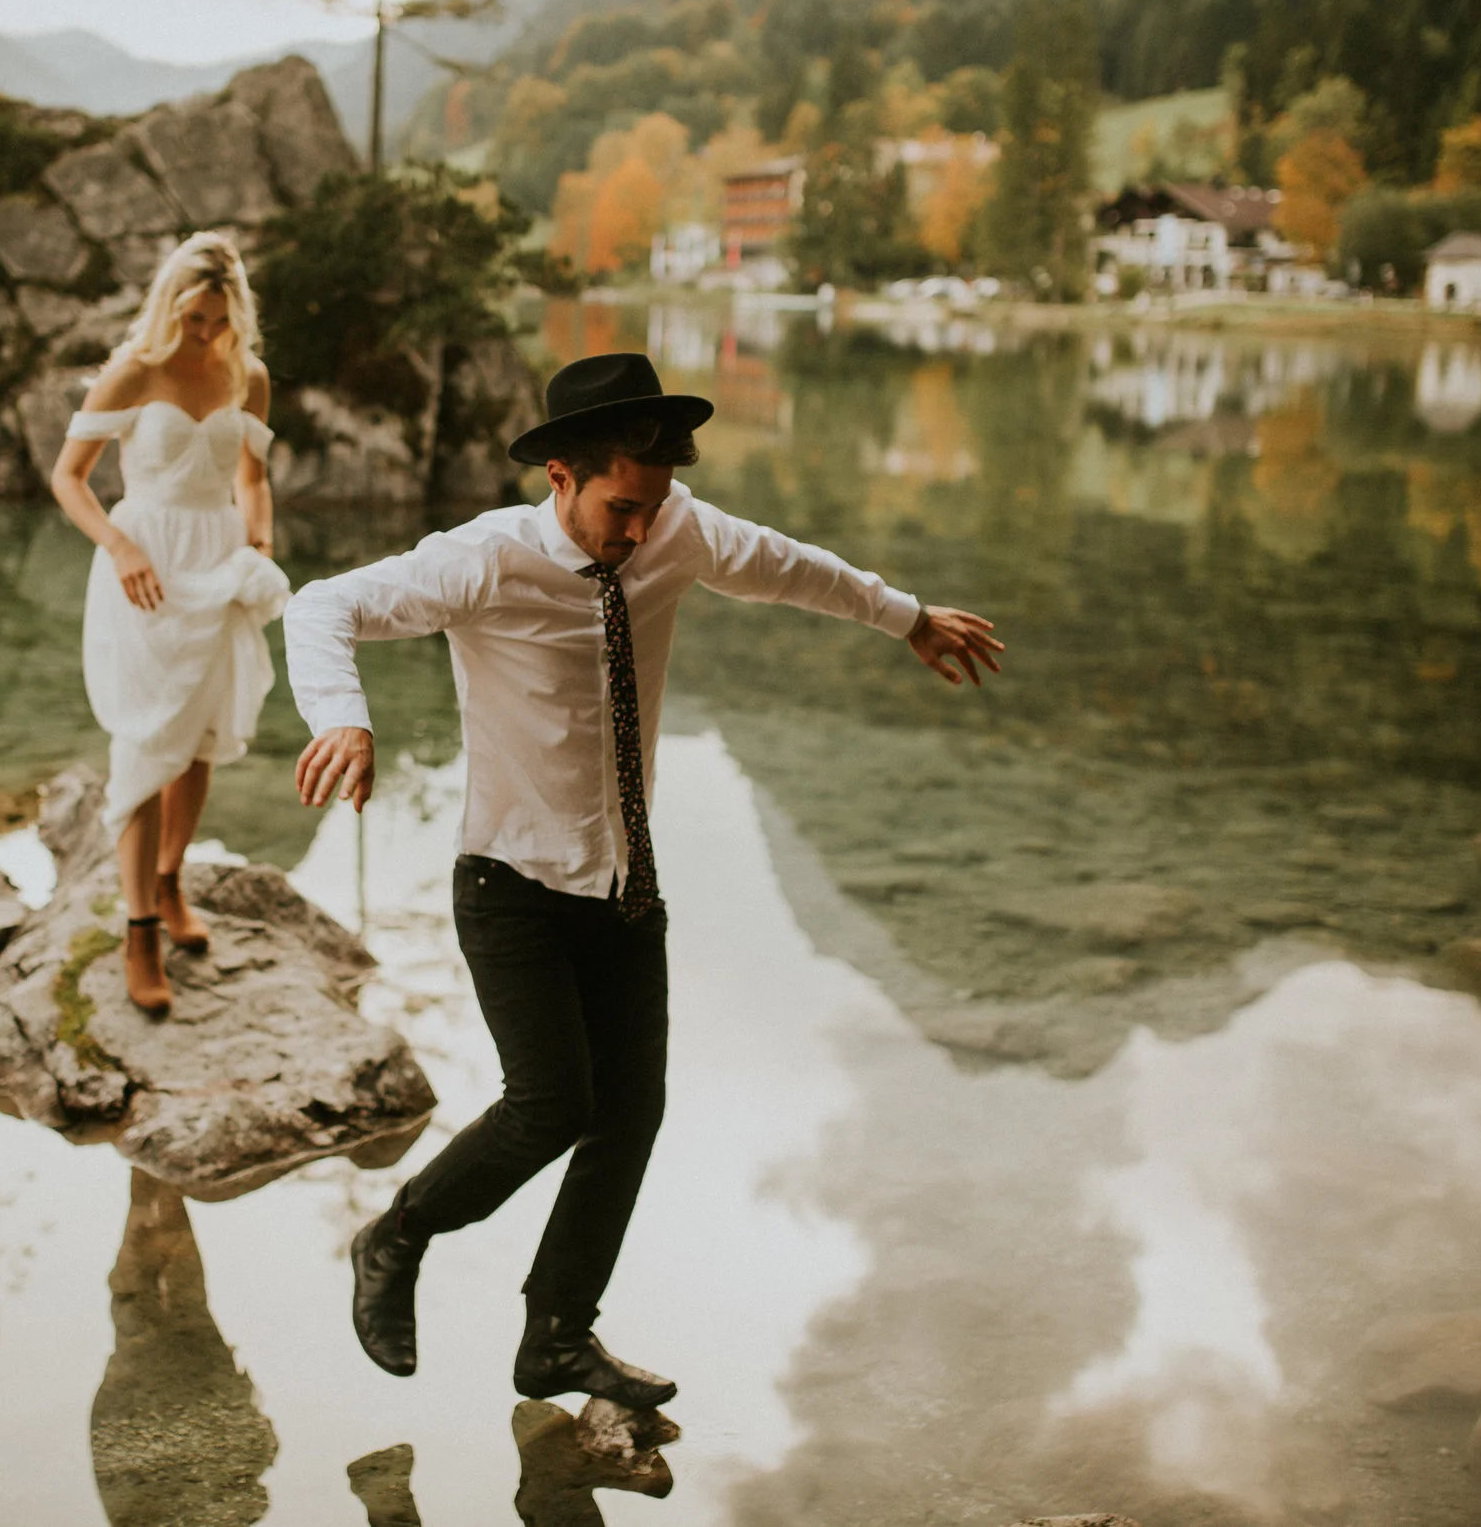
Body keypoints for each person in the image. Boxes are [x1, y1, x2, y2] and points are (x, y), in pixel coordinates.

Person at [286, 352, 1002, 1406]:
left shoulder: (675, 527)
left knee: (629, 1113)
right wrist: (341, 714)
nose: (638, 529)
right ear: (559, 479)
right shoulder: (484, 559)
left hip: (624, 885)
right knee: (549, 1105)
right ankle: (394, 1237)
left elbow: (791, 566)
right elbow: (321, 606)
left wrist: (906, 616)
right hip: (510, 882)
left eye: (652, 505)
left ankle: (557, 1336)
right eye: (620, 506)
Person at [52, 231, 289, 1016]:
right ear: (170, 304)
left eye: (218, 320)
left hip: (216, 559)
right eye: (193, 317)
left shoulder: (247, 377)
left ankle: (169, 875)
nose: (204, 334)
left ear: (236, 313)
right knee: (148, 741)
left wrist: (259, 540)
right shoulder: (134, 370)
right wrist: (119, 544)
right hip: (145, 566)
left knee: (199, 741)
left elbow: (253, 477)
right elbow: (69, 477)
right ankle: (140, 929)